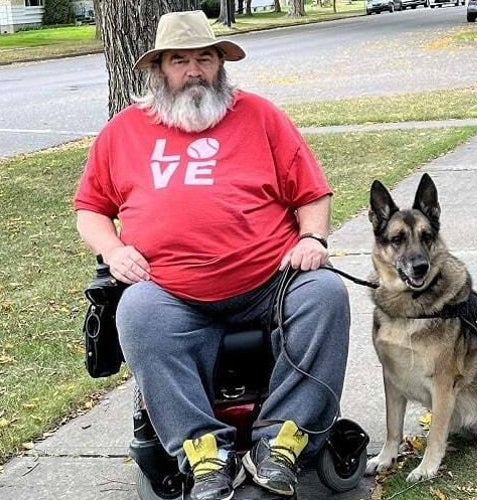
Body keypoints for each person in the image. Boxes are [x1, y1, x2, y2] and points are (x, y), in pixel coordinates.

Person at [73, 10, 350, 500]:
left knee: (326, 293)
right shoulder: (123, 132)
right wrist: (113, 251)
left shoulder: (261, 116)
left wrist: (313, 239)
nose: (195, 70)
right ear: (159, 69)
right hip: (171, 291)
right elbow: (90, 210)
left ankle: (282, 443)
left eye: (206, 58)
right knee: (135, 309)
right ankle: (204, 453)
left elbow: (312, 194)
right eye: (180, 61)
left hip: (271, 280)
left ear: (221, 64)